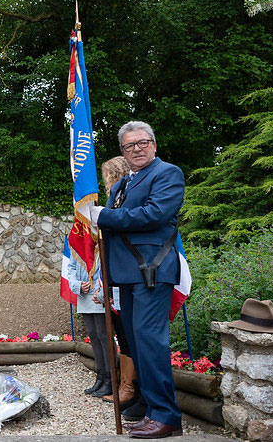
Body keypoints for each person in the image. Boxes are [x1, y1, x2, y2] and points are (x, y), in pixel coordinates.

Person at [90, 122, 185, 439]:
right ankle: (151, 410)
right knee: (135, 344)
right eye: (129, 146)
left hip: (151, 272)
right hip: (126, 276)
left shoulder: (167, 174)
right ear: (123, 152)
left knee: (150, 343)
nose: (137, 149)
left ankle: (167, 415)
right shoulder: (121, 186)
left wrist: (103, 215)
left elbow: (154, 215)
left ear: (154, 145)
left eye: (143, 142)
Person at [97, 156, 138, 409]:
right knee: (123, 335)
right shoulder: (115, 202)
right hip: (116, 278)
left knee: (131, 336)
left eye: (106, 177)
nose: (105, 183)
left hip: (129, 275)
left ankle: (132, 389)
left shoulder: (125, 199)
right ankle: (127, 388)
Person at [67, 243, 111, 398]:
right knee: (93, 334)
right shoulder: (79, 242)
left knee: (103, 335)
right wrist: (77, 285)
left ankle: (110, 379)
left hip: (99, 294)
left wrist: (102, 290)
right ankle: (100, 377)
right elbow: (71, 268)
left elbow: (108, 267)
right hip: (84, 294)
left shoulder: (102, 241)